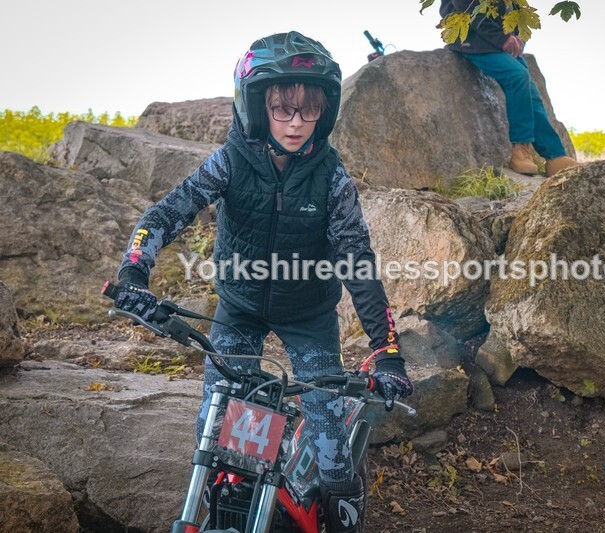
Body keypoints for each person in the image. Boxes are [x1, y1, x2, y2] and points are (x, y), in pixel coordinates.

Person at [111, 31, 413, 533]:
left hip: (309, 315)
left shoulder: (332, 178)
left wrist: (387, 350)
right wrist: (133, 273)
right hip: (240, 307)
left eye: (308, 110)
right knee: (216, 438)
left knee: (332, 453)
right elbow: (166, 213)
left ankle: (341, 513)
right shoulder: (230, 161)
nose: (296, 124)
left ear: (325, 111)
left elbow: (358, 262)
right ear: (256, 107)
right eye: (282, 109)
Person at [439, 0, 579, 177]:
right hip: (474, 39)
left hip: (503, 42)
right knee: (517, 76)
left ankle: (555, 156)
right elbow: (467, 6)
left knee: (531, 92)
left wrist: (516, 36)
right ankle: (520, 148)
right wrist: (501, 38)